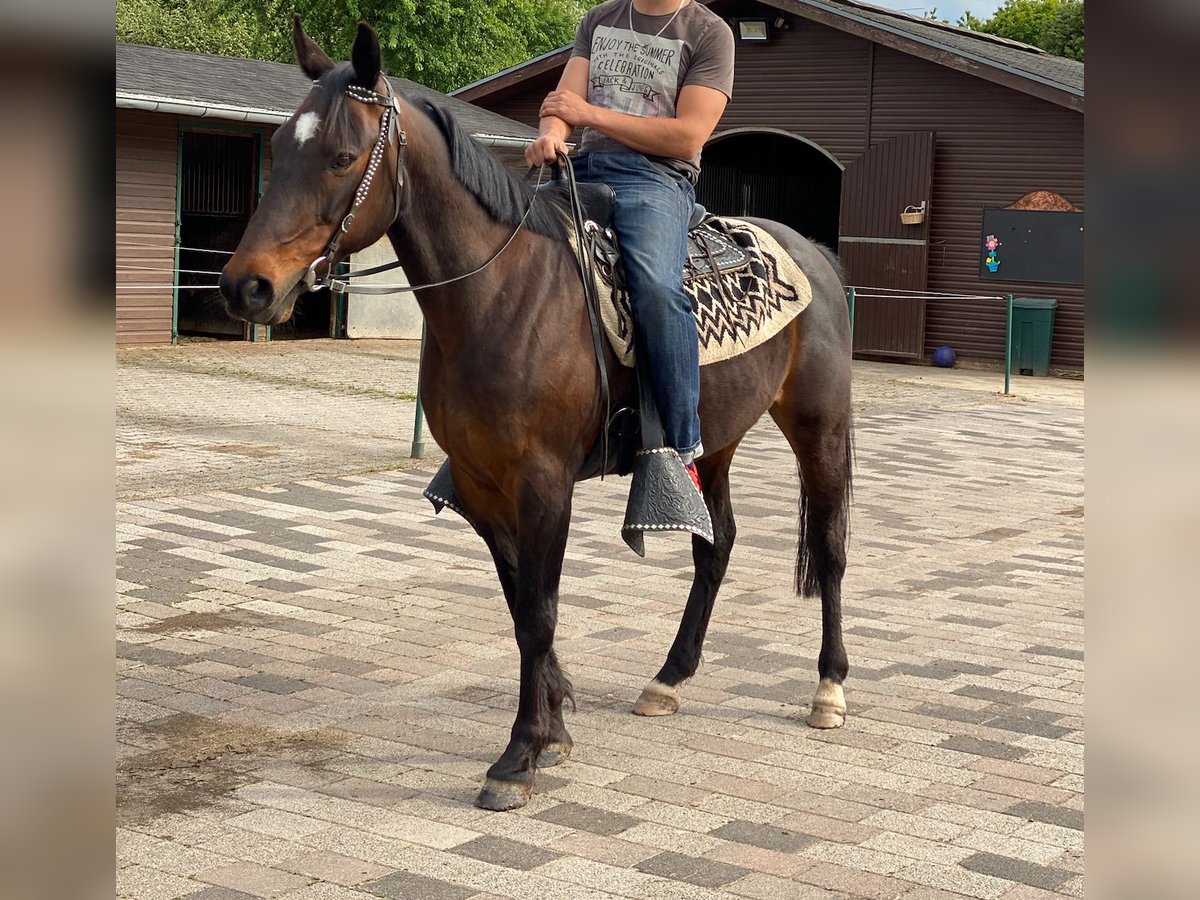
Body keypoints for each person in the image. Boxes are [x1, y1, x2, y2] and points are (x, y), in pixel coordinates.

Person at [526, 0, 735, 495]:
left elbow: (688, 137)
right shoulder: (598, 20)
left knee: (658, 291)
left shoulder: (709, 32)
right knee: (505, 251)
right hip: (583, 168)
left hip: (658, 178)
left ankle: (683, 449)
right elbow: (561, 106)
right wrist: (551, 136)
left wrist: (587, 114)